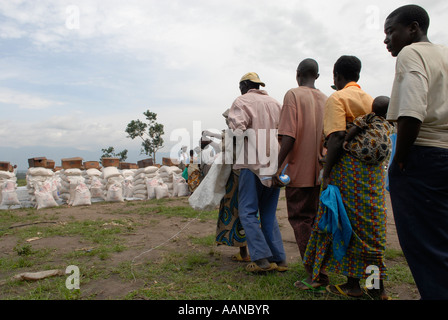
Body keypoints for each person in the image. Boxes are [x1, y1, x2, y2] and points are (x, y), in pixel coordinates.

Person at [302, 56, 390, 299]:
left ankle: (329, 279)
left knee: (341, 222)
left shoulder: (338, 98)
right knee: (369, 227)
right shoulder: (371, 100)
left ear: (336, 76)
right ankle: (373, 286)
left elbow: (337, 137)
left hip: (347, 171)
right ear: (358, 76)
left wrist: (326, 172)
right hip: (372, 174)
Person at [384, 4, 448, 300]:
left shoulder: (412, 53)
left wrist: (400, 161)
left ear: (412, 28)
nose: (386, 40)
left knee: (425, 246)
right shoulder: (444, 54)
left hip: (424, 155)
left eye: (390, 32)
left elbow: (411, 111)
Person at [227, 72, 287, 273]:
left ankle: (261, 258)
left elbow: (237, 129)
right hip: (275, 164)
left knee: (248, 211)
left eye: (240, 86)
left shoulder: (242, 101)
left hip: (252, 164)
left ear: (244, 85)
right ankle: (279, 260)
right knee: (268, 213)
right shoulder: (275, 103)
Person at [273, 59, 327, 274]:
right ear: (318, 76)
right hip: (320, 172)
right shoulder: (326, 98)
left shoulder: (292, 95)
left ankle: (315, 272)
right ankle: (320, 265)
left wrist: (277, 166)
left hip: (297, 171)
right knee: (314, 219)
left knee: (300, 219)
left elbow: (289, 135)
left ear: (298, 74)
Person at [206, 111, 249, 263]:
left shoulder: (230, 134)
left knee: (236, 212)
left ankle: (244, 252)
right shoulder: (251, 132)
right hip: (249, 175)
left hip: (235, 177)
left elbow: (225, 151)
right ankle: (250, 251)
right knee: (248, 212)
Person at [343, 96, 394, 165]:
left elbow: (356, 128)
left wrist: (346, 140)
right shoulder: (389, 122)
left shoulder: (371, 116)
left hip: (365, 152)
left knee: (348, 127)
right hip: (381, 157)